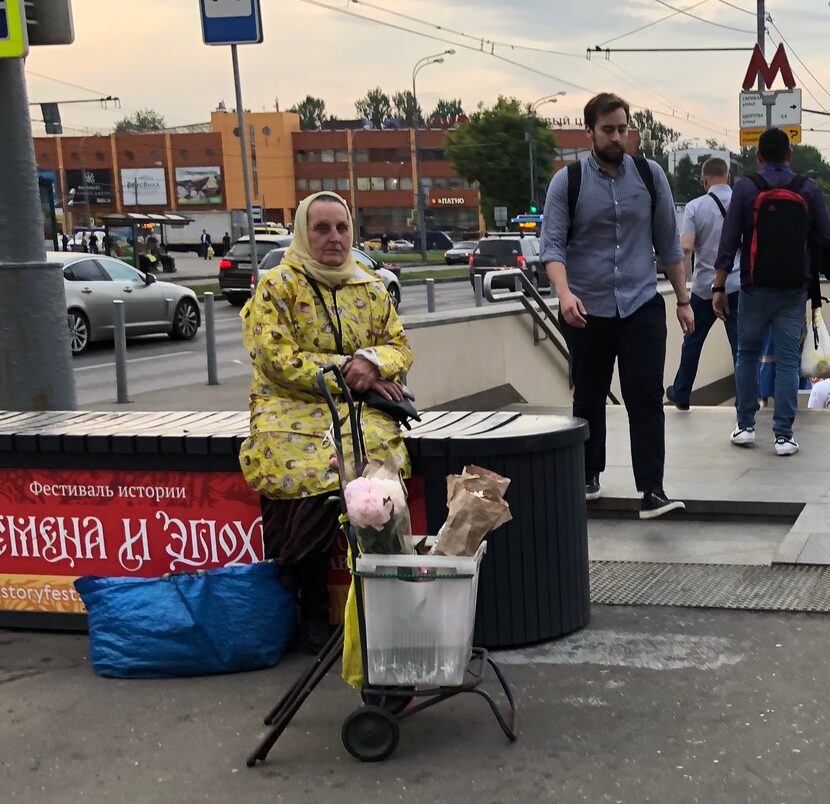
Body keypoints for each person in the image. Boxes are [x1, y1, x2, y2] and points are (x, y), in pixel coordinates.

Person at [238, 190, 413, 653]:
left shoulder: (371, 287)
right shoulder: (276, 286)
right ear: (302, 232)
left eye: (341, 228)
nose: (334, 238)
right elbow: (277, 360)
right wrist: (351, 372)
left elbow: (401, 347)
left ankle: (382, 607)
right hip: (289, 409)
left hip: (359, 410)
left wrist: (373, 362)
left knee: (376, 475)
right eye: (321, 228)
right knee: (314, 475)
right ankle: (313, 607)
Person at [541, 91, 693, 519]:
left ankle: (653, 490)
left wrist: (683, 300)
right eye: (608, 129)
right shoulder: (567, 182)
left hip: (641, 302)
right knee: (588, 393)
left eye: (622, 128)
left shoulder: (649, 175)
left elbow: (668, 244)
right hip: (585, 306)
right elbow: (551, 247)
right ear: (589, 131)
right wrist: (564, 294)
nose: (617, 136)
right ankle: (589, 474)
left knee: (644, 394)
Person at [713, 127, 830, 456]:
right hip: (794, 288)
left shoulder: (747, 188)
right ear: (790, 156)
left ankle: (746, 426)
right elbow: (826, 234)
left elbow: (729, 241)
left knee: (747, 355)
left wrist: (719, 286)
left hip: (753, 287)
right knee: (788, 361)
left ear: (759, 156)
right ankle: (784, 435)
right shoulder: (807, 188)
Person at [666, 157, 740, 410]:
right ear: (728, 177)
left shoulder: (695, 207)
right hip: (737, 286)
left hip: (704, 289)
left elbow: (685, 247)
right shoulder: (743, 203)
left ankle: (682, 393)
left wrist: (682, 288)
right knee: (741, 348)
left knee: (692, 342)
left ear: (704, 179)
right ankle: (744, 401)